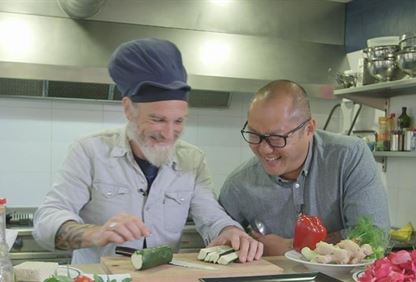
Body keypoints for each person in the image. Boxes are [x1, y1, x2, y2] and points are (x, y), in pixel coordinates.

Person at [33, 38, 262, 264]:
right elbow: (47, 220)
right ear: (128, 109)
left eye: (179, 121)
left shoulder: (193, 160)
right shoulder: (89, 152)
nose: (169, 133)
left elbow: (211, 216)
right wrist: (94, 232)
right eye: (157, 119)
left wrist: (230, 230)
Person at [219, 80, 389, 256]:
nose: (264, 149)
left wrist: (292, 248)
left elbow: (374, 236)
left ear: (309, 129)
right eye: (254, 135)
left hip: (341, 281)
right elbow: (219, 244)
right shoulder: (239, 185)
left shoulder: (350, 156)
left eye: (277, 138)